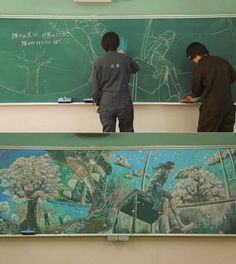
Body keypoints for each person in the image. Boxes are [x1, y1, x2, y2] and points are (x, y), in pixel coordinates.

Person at [181, 42, 236, 132]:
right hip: (229, 107)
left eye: (192, 59)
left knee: (205, 139)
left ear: (194, 56)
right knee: (226, 140)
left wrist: (194, 97)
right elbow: (233, 78)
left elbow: (196, 90)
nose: (194, 62)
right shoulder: (223, 61)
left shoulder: (200, 66)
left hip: (211, 109)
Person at [92, 32, 139, 132]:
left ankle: (108, 148)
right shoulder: (125, 58)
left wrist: (98, 103)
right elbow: (136, 68)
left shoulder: (98, 61)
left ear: (103, 45)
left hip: (106, 101)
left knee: (108, 135)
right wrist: (124, 55)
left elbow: (95, 86)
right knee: (127, 133)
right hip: (124, 101)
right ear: (117, 44)